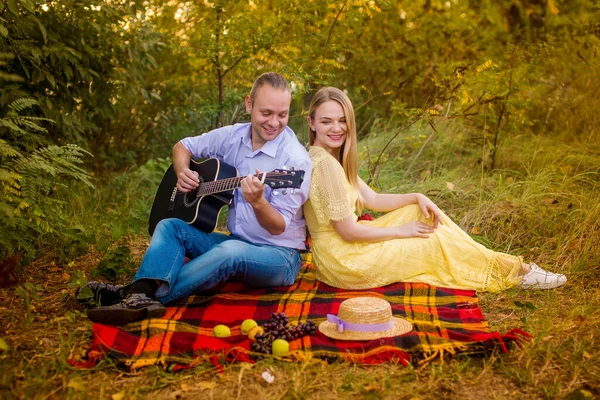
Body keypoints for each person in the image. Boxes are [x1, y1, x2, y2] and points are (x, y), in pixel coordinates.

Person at [81, 72, 312, 325]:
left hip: (280, 257)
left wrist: (258, 201)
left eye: (283, 114)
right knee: (170, 226)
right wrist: (183, 172)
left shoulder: (295, 161)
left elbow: (278, 226)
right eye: (266, 113)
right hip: (239, 240)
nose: (274, 123)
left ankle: (136, 296)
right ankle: (139, 295)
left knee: (230, 251)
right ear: (249, 104)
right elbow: (183, 145)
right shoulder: (234, 136)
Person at [302, 87, 566, 292]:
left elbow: (372, 199)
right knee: (431, 241)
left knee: (418, 212)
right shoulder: (326, 165)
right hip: (345, 262)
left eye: (342, 120)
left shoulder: (330, 158)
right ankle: (513, 273)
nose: (337, 128)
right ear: (312, 123)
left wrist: (418, 196)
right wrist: (399, 232)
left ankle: (512, 267)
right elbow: (347, 231)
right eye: (327, 122)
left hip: (337, 255)